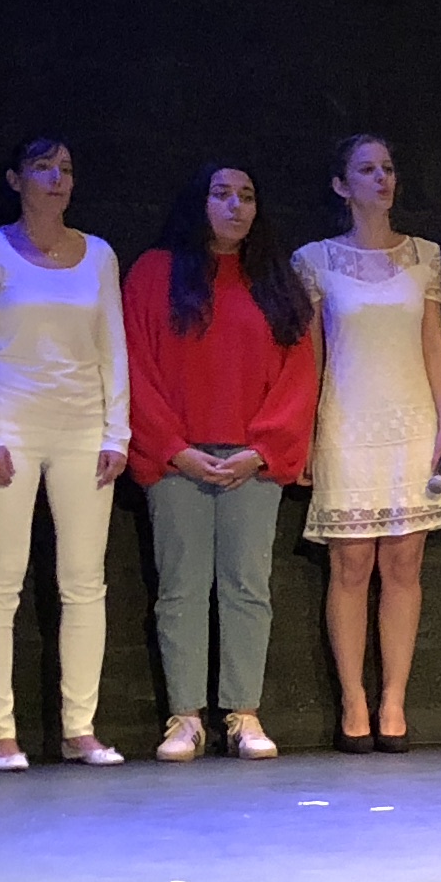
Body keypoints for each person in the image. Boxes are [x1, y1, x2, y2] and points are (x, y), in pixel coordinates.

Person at [127, 163, 321, 762]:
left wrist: (262, 449)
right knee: (181, 589)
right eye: (222, 194)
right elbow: (133, 364)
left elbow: (299, 375)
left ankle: (243, 713)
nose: (236, 206)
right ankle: (185, 716)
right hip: (177, 456)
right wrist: (173, 447)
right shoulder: (154, 273)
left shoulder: (276, 282)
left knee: (246, 587)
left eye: (247, 196)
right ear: (199, 201)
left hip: (250, 460)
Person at [0, 136, 133, 769]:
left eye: (66, 168)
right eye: (44, 167)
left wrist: (118, 433)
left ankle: (79, 727)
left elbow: (112, 347)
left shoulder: (99, 255)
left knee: (85, 583)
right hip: (13, 425)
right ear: (15, 178)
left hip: (83, 429)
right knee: (0, 582)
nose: (58, 178)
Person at [296, 133, 441, 752]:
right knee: (351, 563)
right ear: (343, 185)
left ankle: (393, 699)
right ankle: (353, 700)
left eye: (388, 167)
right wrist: (305, 432)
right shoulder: (316, 259)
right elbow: (311, 351)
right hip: (345, 420)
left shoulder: (424, 256)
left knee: (403, 563)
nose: (382, 178)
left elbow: (435, 341)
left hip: (411, 422)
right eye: (367, 169)